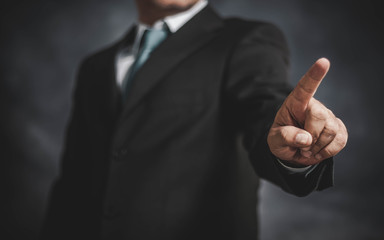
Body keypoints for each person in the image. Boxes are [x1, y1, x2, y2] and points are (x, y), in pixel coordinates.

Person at [40, 0, 348, 239]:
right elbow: (73, 181)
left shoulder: (246, 40)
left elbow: (264, 102)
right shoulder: (95, 66)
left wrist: (290, 140)